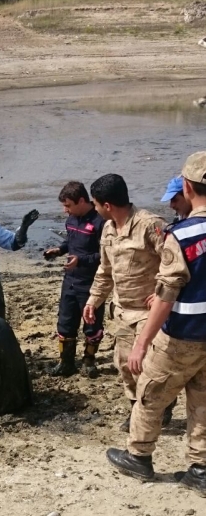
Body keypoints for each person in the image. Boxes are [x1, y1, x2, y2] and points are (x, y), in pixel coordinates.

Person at [106, 152, 206, 496]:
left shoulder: (183, 234)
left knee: (150, 393)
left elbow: (166, 293)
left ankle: (139, 456)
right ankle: (200, 467)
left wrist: (141, 342)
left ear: (188, 188)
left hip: (182, 335)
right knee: (202, 401)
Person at [82, 174, 166, 429]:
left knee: (146, 368)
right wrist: (93, 300)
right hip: (122, 310)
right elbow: (105, 271)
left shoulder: (150, 225)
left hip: (148, 313)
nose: (94, 209)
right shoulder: (108, 229)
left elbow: (177, 264)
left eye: (95, 204)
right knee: (124, 365)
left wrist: (163, 292)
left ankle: (150, 414)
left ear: (106, 205)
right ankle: (136, 408)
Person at [44, 181, 105, 376]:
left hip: (91, 283)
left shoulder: (100, 221)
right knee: (65, 322)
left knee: (92, 324)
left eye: (68, 205)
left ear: (81, 201)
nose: (65, 210)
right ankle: (66, 363)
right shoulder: (71, 220)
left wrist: (81, 261)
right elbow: (70, 241)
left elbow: (105, 254)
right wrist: (59, 250)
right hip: (70, 281)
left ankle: (88, 362)